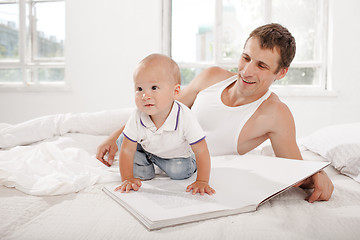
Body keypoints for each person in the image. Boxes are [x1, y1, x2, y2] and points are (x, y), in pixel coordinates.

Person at [97, 23, 333, 202]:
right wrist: (113, 138)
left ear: (281, 73)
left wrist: (315, 174)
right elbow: (158, 108)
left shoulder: (275, 114)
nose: (247, 71)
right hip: (154, 141)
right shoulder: (211, 78)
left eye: (261, 65)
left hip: (183, 165)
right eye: (246, 58)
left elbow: (293, 167)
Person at [113, 53, 215, 196]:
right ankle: (149, 160)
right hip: (148, 149)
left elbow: (201, 150)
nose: (145, 96)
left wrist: (203, 181)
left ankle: (182, 162)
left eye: (154, 88)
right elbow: (127, 150)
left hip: (175, 155)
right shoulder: (138, 115)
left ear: (176, 91)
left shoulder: (185, 117)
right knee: (129, 151)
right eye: (139, 89)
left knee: (180, 171)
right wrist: (127, 178)